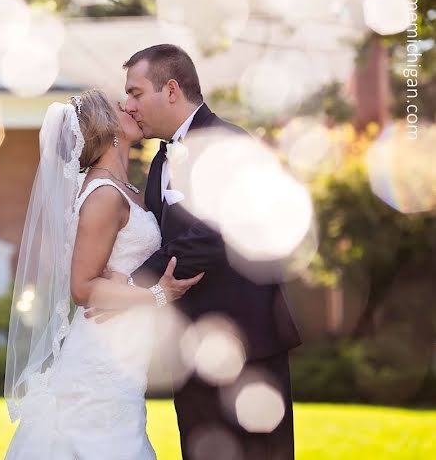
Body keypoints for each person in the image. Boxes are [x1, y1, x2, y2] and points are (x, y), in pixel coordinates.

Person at [87, 44, 302, 460]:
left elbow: (210, 237)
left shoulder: (228, 144)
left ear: (170, 90)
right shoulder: (158, 163)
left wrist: (132, 282)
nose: (129, 106)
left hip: (247, 345)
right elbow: (166, 240)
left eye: (135, 93)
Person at [4, 88, 202, 460]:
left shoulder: (125, 190)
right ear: (107, 126)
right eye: (120, 105)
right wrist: (157, 295)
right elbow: (82, 287)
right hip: (101, 353)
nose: (130, 107)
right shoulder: (104, 195)